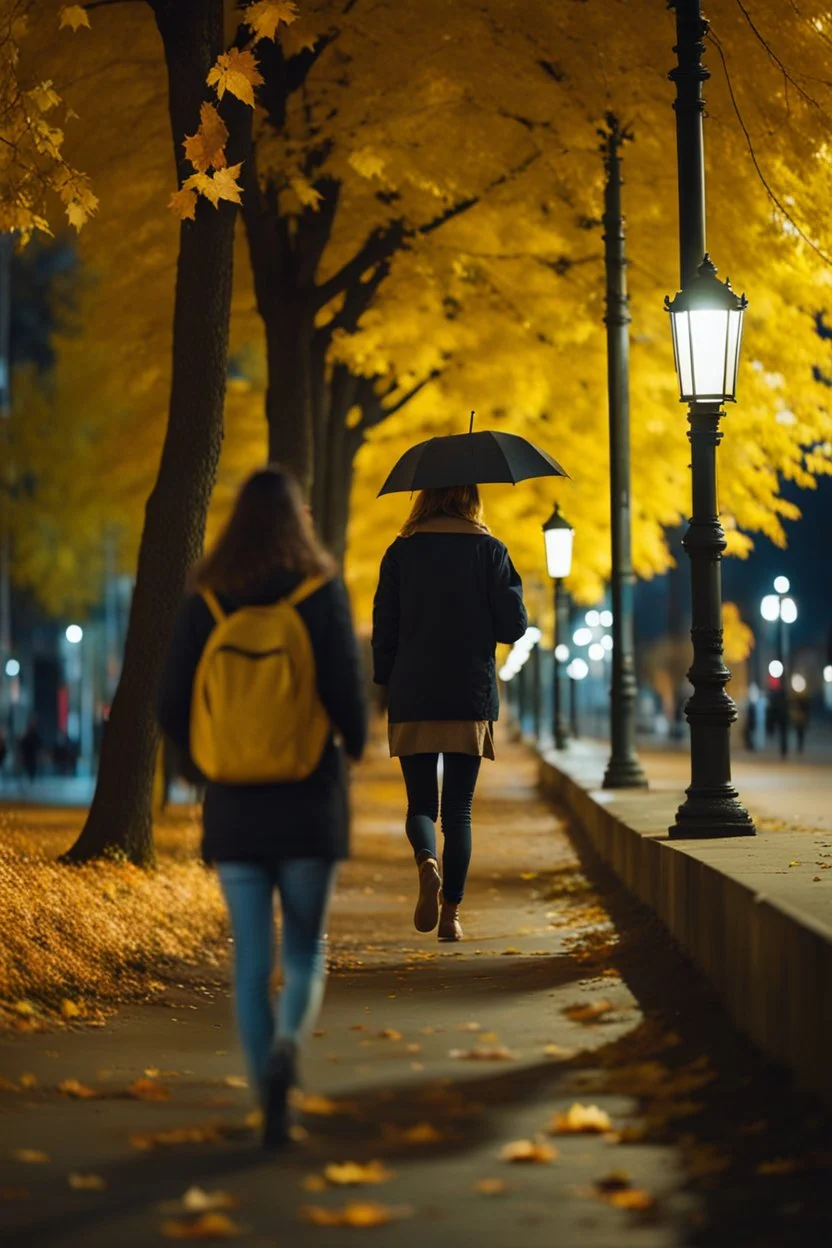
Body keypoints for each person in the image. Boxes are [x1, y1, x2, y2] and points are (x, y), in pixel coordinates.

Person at [158, 467, 367, 1150]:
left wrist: (202, 768)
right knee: (306, 946)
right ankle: (288, 1047)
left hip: (236, 806)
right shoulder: (319, 589)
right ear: (299, 522)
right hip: (308, 798)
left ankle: (267, 1104)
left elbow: (170, 700)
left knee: (251, 959)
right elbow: (344, 685)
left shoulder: (209, 596)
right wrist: (356, 743)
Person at [372, 484, 527, 943]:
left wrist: (387, 682)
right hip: (468, 693)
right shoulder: (490, 550)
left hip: (414, 691)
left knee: (421, 803)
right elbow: (513, 626)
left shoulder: (400, 553)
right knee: (459, 810)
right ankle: (451, 915)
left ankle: (427, 860)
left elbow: (385, 626)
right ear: (471, 500)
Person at [19, 718, 42, 783]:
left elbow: (39, 746)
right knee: (27, 772)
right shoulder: (26, 736)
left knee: (32, 772)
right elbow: (22, 745)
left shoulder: (36, 736)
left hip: (33, 758)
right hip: (27, 757)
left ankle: (31, 782)